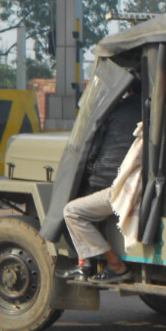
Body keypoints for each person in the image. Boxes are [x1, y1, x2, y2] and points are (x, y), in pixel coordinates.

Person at [57, 80, 143, 283]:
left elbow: (93, 150)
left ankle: (112, 265)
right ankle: (87, 264)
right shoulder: (155, 113)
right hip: (136, 183)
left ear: (126, 89)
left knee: (72, 210)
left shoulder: (113, 111)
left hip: (117, 187)